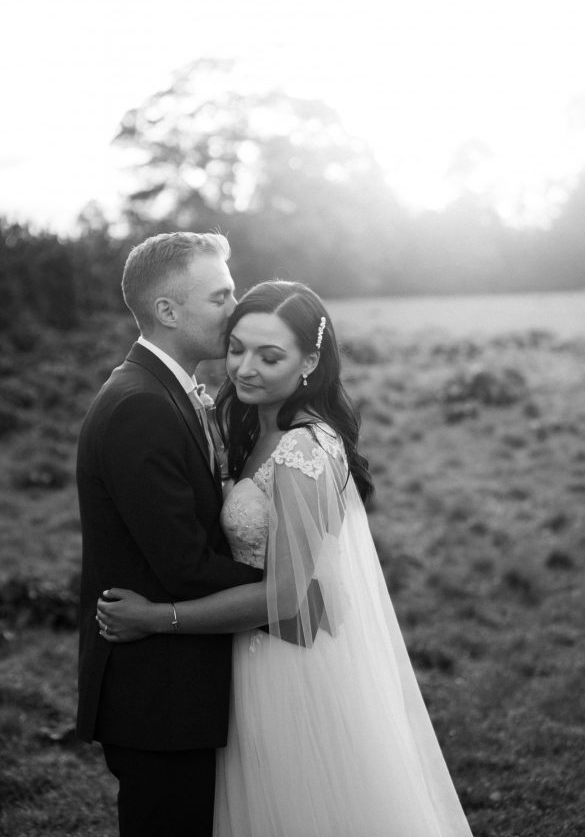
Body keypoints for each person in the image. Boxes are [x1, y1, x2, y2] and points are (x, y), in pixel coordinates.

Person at [97, 281, 474, 837]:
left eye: (269, 357)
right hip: (246, 653)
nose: (244, 369)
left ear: (310, 362)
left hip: (289, 661)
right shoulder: (251, 427)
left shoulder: (303, 448)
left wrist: (158, 618)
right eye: (237, 348)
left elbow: (285, 595)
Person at [76, 232, 263, 837]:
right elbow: (185, 565)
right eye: (219, 296)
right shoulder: (142, 406)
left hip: (172, 684)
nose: (235, 307)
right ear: (168, 311)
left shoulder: (162, 390)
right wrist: (284, 589)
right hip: (158, 693)